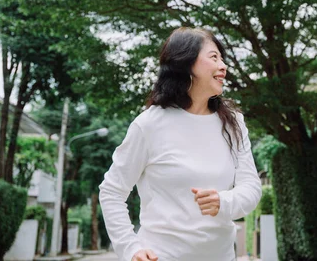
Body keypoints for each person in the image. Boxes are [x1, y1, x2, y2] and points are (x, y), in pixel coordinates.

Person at [100, 27, 262, 261]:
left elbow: (251, 188)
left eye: (223, 59)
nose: (223, 66)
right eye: (214, 57)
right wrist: (130, 248)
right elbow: (112, 191)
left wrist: (223, 202)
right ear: (186, 64)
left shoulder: (233, 123)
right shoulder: (149, 124)